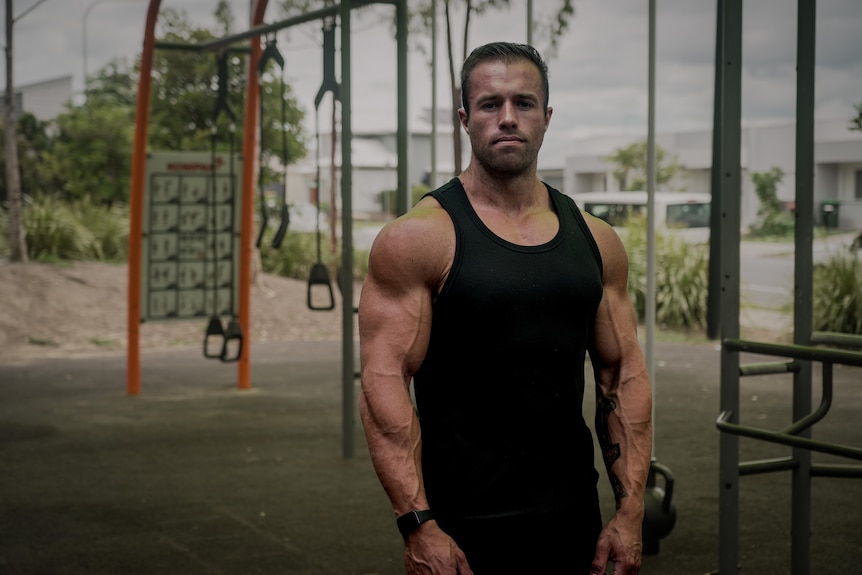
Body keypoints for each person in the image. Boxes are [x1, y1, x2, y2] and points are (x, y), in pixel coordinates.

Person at [358, 41, 652, 575]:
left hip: (574, 523)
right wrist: (418, 524)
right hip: (461, 533)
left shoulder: (595, 239)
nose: (508, 118)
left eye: (525, 102)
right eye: (491, 104)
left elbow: (622, 374)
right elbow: (383, 384)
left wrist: (630, 512)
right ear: (465, 120)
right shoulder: (419, 239)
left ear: (547, 117)